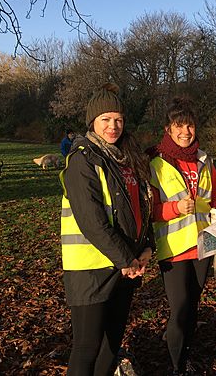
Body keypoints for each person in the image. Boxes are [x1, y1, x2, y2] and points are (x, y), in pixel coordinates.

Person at [60, 83, 154, 376]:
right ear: (92, 122)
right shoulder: (82, 160)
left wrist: (147, 247)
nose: (113, 126)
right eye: (105, 120)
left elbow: (141, 207)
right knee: (87, 347)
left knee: (111, 345)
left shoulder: (125, 159)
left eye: (118, 120)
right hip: (92, 270)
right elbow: (92, 220)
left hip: (125, 266)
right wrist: (126, 259)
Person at [147, 98, 216, 376]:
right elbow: (148, 211)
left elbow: (215, 200)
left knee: (192, 307)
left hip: (203, 246)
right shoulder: (156, 163)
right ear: (168, 129)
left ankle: (185, 353)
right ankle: (177, 367)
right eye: (178, 126)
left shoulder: (204, 159)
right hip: (174, 248)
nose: (185, 132)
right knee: (179, 309)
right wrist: (174, 208)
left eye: (189, 125)